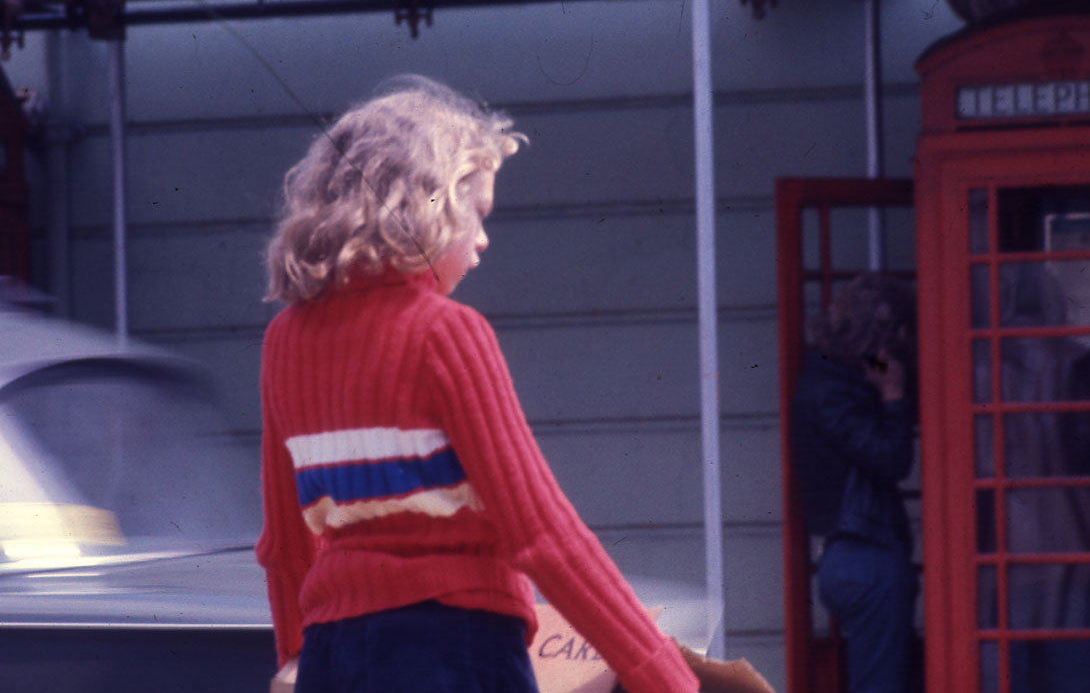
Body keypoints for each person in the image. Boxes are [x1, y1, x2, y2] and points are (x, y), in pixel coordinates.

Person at [256, 75, 701, 692]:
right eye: (480, 212)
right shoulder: (446, 334)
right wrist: (668, 679)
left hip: (332, 658)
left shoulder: (284, 342)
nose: (485, 239)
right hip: (456, 651)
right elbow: (543, 533)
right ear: (429, 203)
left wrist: (294, 661)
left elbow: (285, 548)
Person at [792, 272, 919, 693]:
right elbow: (891, 457)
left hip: (854, 554)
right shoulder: (834, 392)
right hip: (867, 557)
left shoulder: (832, 381)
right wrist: (894, 395)